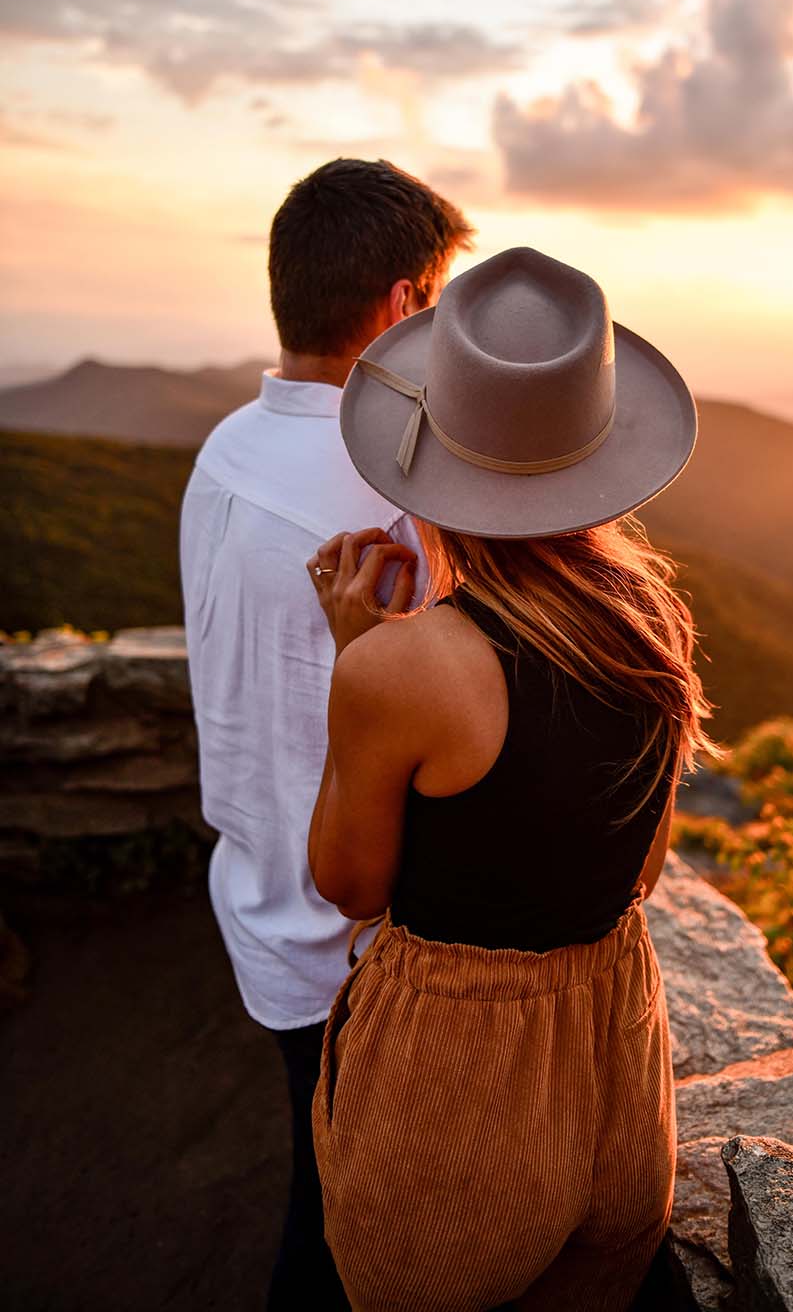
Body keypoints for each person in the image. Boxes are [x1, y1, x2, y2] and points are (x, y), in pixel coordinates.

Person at [305, 246, 721, 1311]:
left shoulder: (399, 668)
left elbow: (350, 887)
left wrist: (356, 652)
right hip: (617, 1066)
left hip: (453, 1096)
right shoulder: (652, 627)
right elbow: (644, 867)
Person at [179, 158, 473, 1309]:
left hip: (251, 885)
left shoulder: (225, 449)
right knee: (353, 1229)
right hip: (347, 932)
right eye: (440, 302)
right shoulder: (384, 488)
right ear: (403, 307)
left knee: (321, 1170)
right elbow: (441, 709)